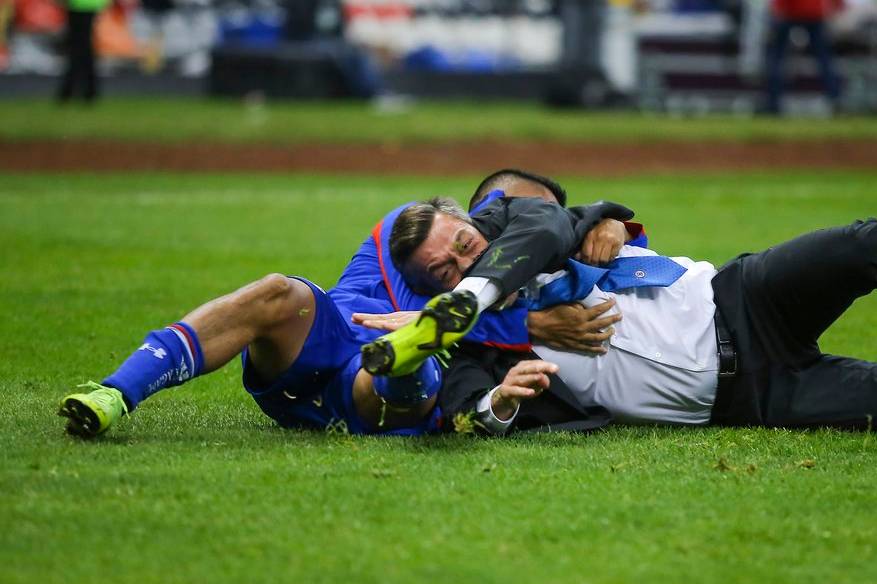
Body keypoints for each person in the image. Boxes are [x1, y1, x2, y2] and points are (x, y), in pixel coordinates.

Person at [365, 197, 877, 436]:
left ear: (474, 225)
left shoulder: (526, 229)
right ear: (427, 295)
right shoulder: (483, 348)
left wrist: (602, 221)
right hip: (751, 397)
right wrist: (501, 399)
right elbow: (466, 409)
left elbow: (550, 221)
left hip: (742, 295)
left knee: (870, 244)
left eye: (463, 246)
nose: (463, 264)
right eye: (444, 274)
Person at [55, 171, 635, 438]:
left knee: (409, 364)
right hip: (326, 341)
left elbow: (603, 240)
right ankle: (117, 392)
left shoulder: (550, 247)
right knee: (277, 291)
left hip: (386, 389)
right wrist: (527, 322)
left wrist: (613, 223)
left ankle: (407, 352)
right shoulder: (416, 229)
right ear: (479, 211)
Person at [56, 0, 109, 103]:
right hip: (89, 4)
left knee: (79, 47)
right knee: (83, 47)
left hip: (79, 5)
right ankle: (87, 89)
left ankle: (71, 89)